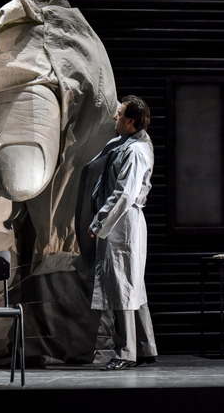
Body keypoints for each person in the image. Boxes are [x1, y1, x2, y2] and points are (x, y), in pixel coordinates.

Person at [88, 95, 158, 370]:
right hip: (121, 221)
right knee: (132, 284)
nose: (114, 117)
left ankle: (125, 352)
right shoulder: (125, 143)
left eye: (119, 114)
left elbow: (125, 193)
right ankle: (145, 347)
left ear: (130, 121)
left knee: (123, 287)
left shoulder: (136, 151)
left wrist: (99, 223)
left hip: (122, 223)